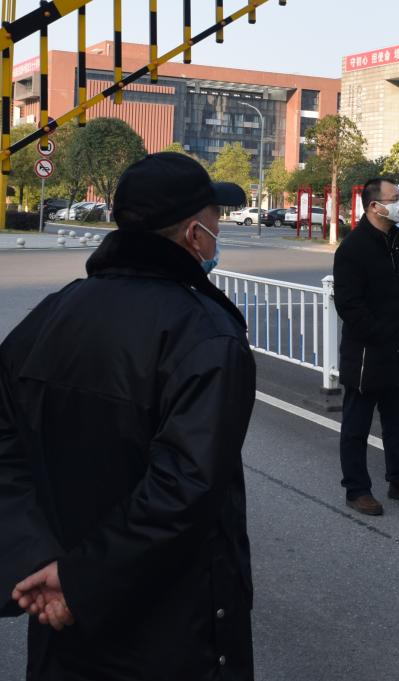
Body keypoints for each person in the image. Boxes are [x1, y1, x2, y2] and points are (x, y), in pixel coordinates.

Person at [0, 152, 257, 679]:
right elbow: (185, 487)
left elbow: (6, 450)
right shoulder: (206, 334)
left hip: (59, 624)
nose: (218, 230)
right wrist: (79, 581)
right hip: (171, 630)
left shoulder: (51, 314)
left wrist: (40, 564)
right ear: (193, 233)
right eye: (216, 217)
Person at [334, 178, 399, 516]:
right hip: (366, 354)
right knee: (357, 426)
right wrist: (379, 333)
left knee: (398, 423)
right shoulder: (353, 248)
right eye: (394, 199)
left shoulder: (391, 242)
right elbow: (348, 305)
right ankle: (357, 489)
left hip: (397, 350)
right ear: (375, 206)